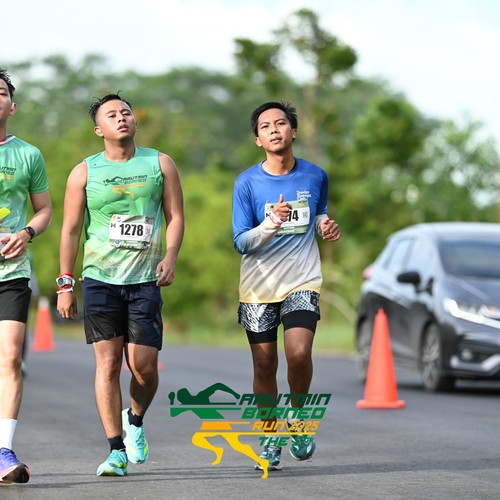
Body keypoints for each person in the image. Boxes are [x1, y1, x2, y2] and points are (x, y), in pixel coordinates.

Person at [56, 93, 184, 477]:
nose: (121, 117)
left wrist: (171, 255)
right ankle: (115, 450)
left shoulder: (160, 163)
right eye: (111, 115)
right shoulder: (84, 172)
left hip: (145, 278)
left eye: (126, 112)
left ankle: (136, 419)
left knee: (144, 368)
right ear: (99, 130)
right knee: (108, 363)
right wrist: (65, 284)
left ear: (135, 121)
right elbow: (70, 230)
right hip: (99, 279)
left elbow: (175, 216)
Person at [232, 100, 341, 472]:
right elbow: (240, 242)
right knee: (264, 365)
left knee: (298, 353)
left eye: (280, 123)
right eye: (265, 126)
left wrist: (325, 226)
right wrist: (270, 223)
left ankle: (299, 418)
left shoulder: (315, 175)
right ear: (258, 140)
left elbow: (320, 213)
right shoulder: (247, 182)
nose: (274, 130)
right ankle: (269, 435)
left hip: (302, 280)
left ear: (294, 131)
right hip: (258, 286)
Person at [0, 68, 52, 484]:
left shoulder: (28, 155)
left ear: (12, 106)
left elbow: (44, 209)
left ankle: (3, 451)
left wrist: (26, 233)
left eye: (1, 93)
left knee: (11, 357)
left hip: (11, 272)